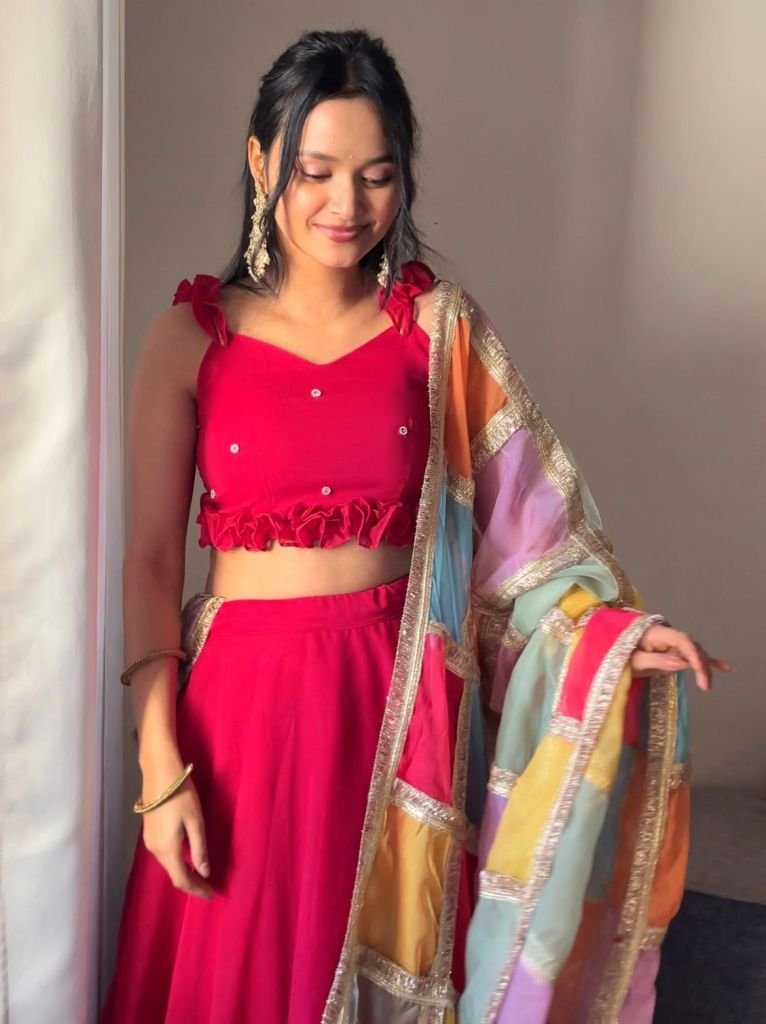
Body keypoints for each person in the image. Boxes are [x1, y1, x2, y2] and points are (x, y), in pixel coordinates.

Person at [101, 27, 733, 1024]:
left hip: (393, 710)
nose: (346, 205)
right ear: (261, 162)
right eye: (314, 172)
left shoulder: (437, 331)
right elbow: (146, 562)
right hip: (237, 724)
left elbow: (527, 538)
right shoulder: (189, 339)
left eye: (377, 176)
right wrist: (159, 767)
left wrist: (606, 638)